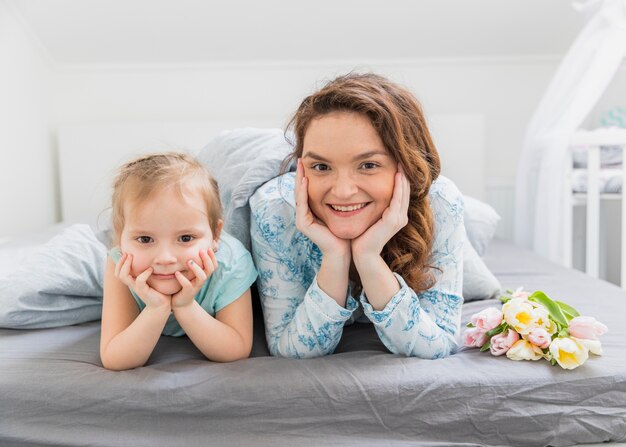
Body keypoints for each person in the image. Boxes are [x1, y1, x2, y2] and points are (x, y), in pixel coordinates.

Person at [249, 73, 464, 359]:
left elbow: (437, 345)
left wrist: (368, 257)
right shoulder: (275, 209)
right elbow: (291, 351)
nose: (343, 191)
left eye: (368, 165)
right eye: (321, 167)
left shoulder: (440, 201)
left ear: (407, 166)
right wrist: (335, 258)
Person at [100, 153, 257, 370]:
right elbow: (115, 358)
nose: (165, 258)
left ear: (215, 235)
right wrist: (156, 309)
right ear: (120, 239)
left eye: (185, 238)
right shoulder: (121, 261)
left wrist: (185, 306)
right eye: (145, 239)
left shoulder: (231, 263)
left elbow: (236, 349)